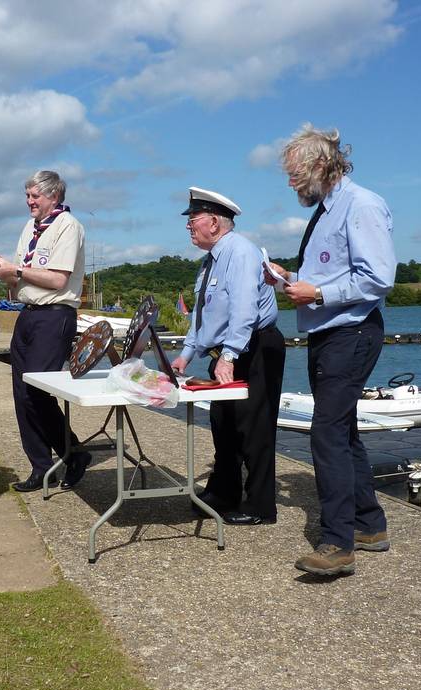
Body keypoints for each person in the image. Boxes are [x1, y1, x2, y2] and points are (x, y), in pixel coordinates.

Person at [266, 123, 397, 577]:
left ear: (321, 164)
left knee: (326, 433)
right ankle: (369, 525)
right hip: (332, 332)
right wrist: (291, 281)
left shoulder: (360, 205)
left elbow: (379, 277)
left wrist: (317, 295)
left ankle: (338, 543)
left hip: (352, 332)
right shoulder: (327, 209)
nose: (291, 183)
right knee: (341, 431)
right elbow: (331, 273)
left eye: (295, 174)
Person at [170, 187, 285, 526]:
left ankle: (261, 506)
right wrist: (187, 355)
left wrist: (230, 354)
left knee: (254, 428)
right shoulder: (210, 261)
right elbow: (204, 315)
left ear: (216, 222)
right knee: (223, 425)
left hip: (254, 347)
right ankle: (224, 492)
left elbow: (244, 309)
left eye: (194, 219)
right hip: (230, 351)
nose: (189, 226)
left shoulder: (240, 252)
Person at [0, 170, 91, 493]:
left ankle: (74, 454)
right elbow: (21, 278)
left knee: (37, 393)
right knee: (21, 395)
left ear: (54, 196)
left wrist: (15, 270)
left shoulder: (68, 227)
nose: (29, 202)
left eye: (34, 196)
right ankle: (41, 467)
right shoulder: (30, 228)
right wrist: (2, 274)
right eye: (27, 196)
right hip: (28, 314)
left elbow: (57, 279)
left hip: (54, 316)